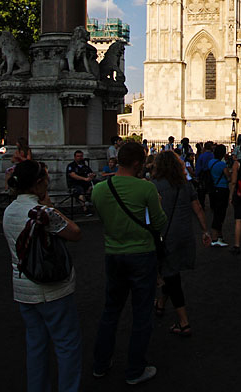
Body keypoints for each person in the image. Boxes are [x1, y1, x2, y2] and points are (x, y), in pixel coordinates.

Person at [91, 139, 167, 385]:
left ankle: (100, 365)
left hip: (113, 254)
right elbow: (159, 224)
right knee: (142, 313)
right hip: (142, 256)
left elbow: (102, 217)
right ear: (137, 163)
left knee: (110, 310)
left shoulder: (99, 189)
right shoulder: (145, 189)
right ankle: (135, 370)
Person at [3, 160, 82, 392]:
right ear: (38, 184)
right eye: (46, 179)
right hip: (52, 288)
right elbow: (75, 233)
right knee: (67, 344)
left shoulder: (9, 211)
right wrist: (50, 206)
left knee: (35, 345)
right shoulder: (43, 213)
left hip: (23, 289)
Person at [152, 150, 211, 335]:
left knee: (171, 276)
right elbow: (198, 208)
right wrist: (204, 230)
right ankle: (161, 304)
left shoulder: (153, 186)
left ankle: (184, 322)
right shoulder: (185, 184)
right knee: (171, 272)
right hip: (184, 235)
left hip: (164, 236)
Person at [207, 144, 231, 247]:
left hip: (213, 190)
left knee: (217, 212)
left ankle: (219, 236)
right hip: (222, 190)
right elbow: (228, 177)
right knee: (219, 214)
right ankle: (214, 238)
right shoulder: (222, 165)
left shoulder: (211, 162)